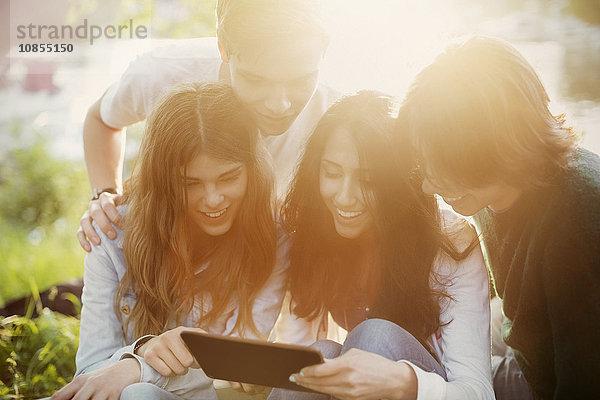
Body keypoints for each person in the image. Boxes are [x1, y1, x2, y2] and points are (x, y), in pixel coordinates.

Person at [51, 82, 290, 400]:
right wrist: (144, 357)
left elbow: (235, 369)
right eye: (190, 183)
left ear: (253, 171)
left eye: (229, 177)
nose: (213, 199)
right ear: (162, 181)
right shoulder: (112, 233)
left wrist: (140, 367)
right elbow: (92, 375)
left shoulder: (272, 236)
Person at [400, 35, 600, 399]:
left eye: (442, 169)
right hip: (530, 350)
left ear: (496, 149)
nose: (428, 187)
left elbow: (582, 382)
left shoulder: (579, 219)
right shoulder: (492, 189)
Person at [272, 91, 494, 400]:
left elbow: (478, 393)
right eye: (332, 173)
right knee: (317, 356)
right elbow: (298, 340)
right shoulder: (315, 232)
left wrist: (404, 383)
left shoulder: (448, 239)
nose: (345, 197)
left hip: (429, 391)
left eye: (367, 180)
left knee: (374, 335)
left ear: (396, 182)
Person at [78, 0, 340, 251]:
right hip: (168, 249)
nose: (279, 104)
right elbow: (100, 120)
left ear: (324, 50)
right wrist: (105, 194)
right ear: (223, 47)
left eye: (299, 81)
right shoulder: (164, 74)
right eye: (256, 80)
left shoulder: (336, 113)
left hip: (261, 256)